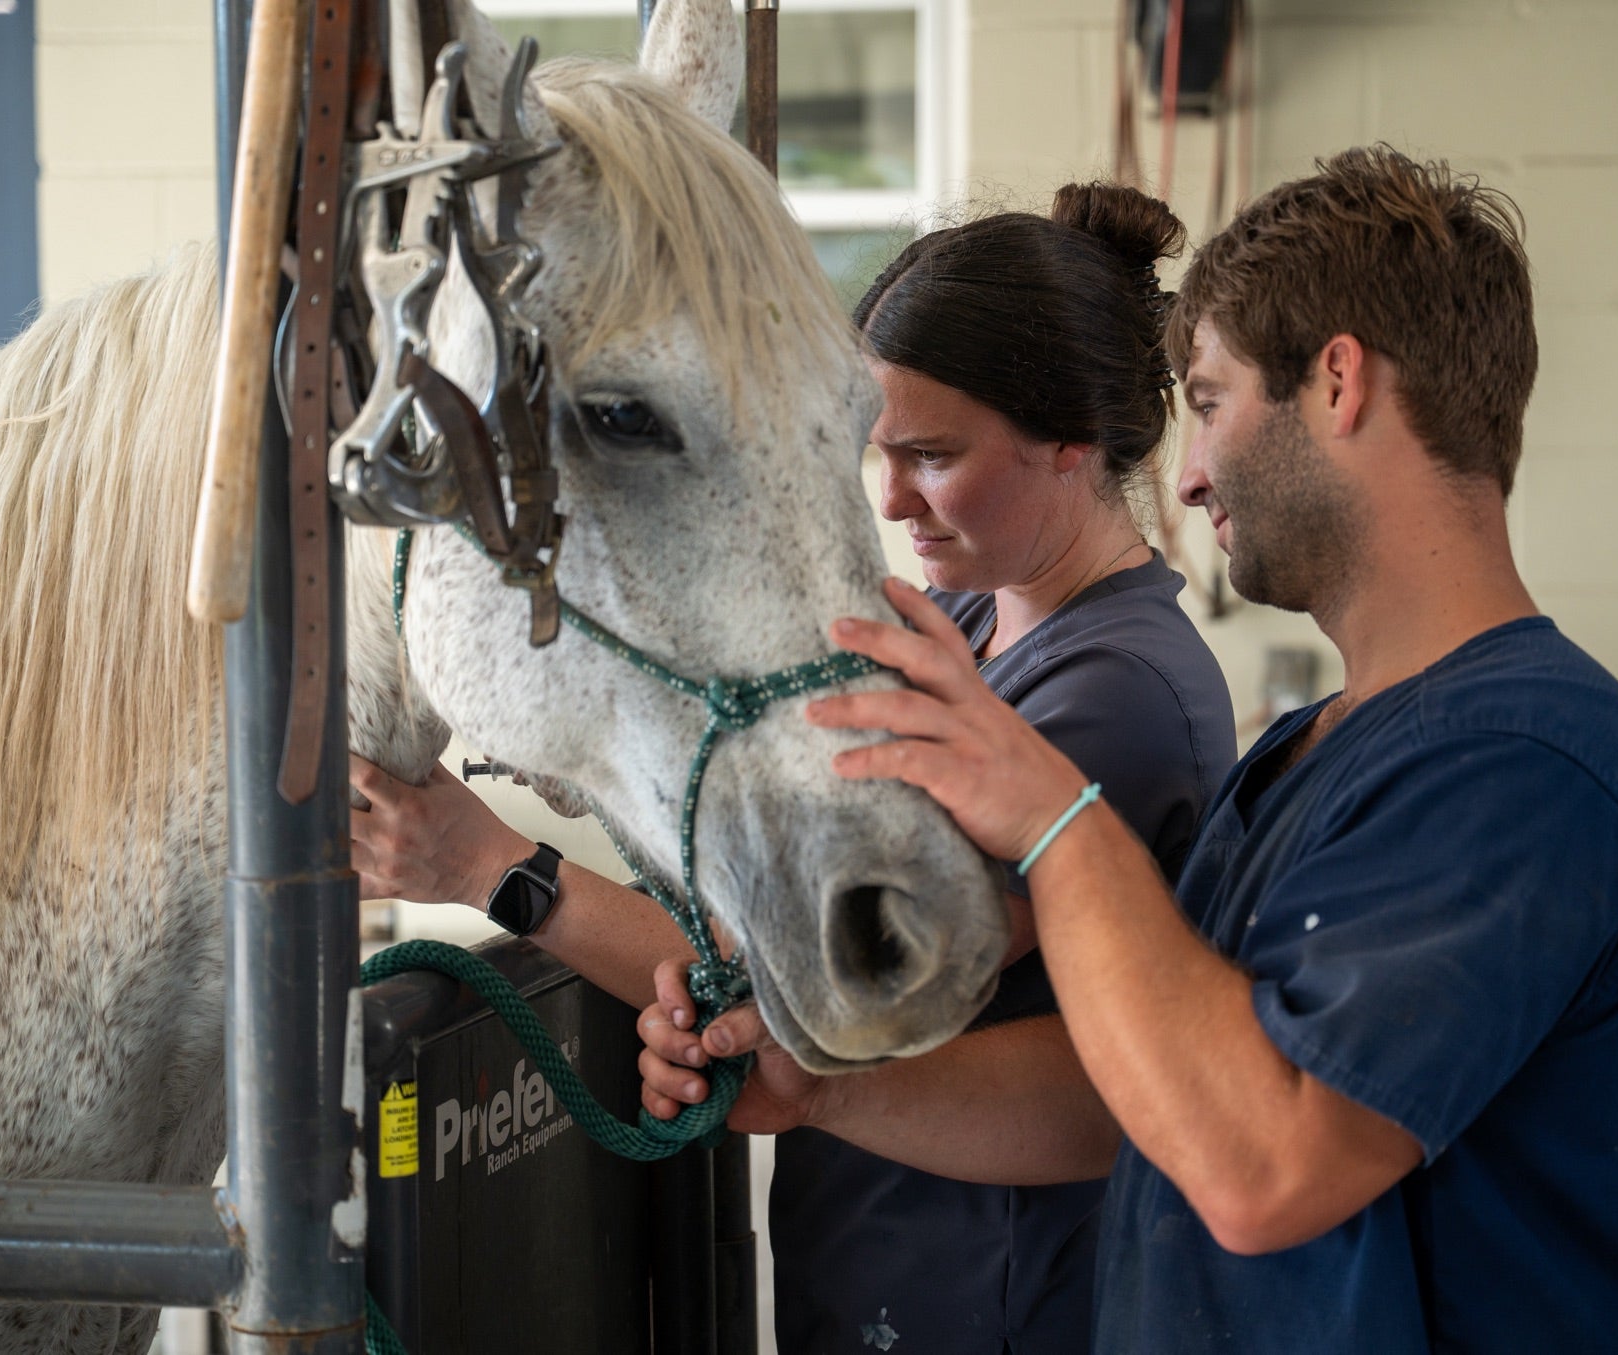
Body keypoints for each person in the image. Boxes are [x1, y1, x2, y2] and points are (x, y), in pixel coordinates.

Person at [640, 145, 1618, 1354]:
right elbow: (1128, 1104)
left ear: (1339, 381)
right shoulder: (1313, 752)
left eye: (1206, 399)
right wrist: (826, 1087)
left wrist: (1050, 814)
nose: (1187, 475)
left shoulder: (1526, 758)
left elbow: (1265, 1163)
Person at [350, 182, 1236, 1352]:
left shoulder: (1114, 699)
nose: (891, 498)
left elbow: (832, 971)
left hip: (992, 1303)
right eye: (876, 452)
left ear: (1072, 439)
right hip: (873, 1271)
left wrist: (493, 867)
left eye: (934, 456)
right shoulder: (961, 625)